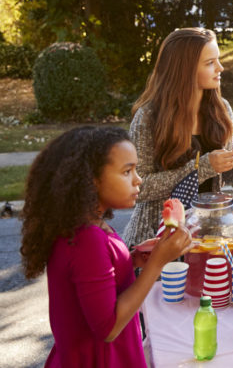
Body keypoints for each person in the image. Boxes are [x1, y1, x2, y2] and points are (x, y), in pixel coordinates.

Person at [20, 126, 192, 367]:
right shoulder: (86, 238)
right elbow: (108, 327)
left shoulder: (86, 225)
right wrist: (157, 263)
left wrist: (132, 260)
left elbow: (92, 282)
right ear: (91, 180)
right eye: (127, 171)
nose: (138, 179)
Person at [122, 28, 233, 248]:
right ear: (185, 70)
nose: (220, 68)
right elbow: (140, 187)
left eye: (218, 60)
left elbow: (226, 177)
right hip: (155, 242)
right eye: (210, 63)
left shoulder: (222, 110)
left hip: (207, 239)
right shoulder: (148, 117)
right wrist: (201, 167)